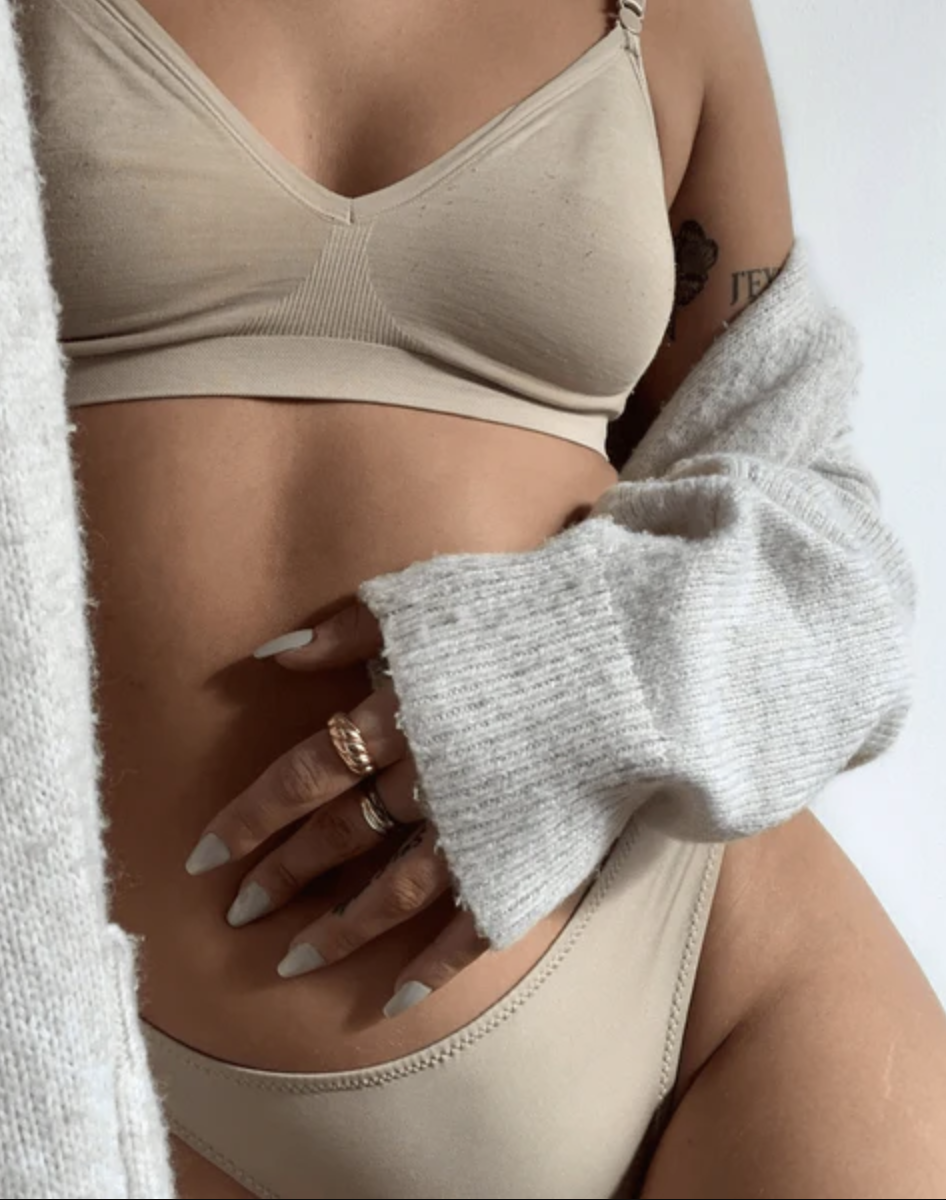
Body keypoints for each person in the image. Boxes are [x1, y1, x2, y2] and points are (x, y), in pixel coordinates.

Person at [4, 0, 946, 1197]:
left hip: (677, 956)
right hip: (100, 1028)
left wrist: (566, 682)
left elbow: (820, 530)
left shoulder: (657, 18)